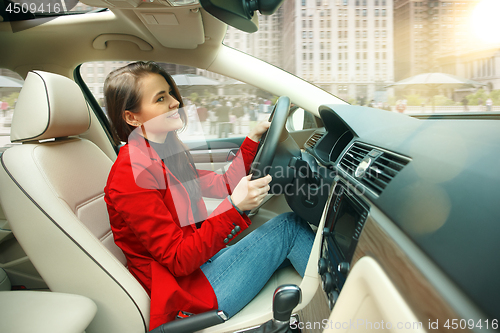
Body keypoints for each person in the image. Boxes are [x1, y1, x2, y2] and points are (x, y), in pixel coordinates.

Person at [103, 61, 314, 330]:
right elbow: (178, 259)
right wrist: (235, 208)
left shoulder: (164, 153)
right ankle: (348, 314)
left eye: (170, 93)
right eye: (160, 98)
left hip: (204, 267)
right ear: (132, 117)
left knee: (288, 227)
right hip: (190, 293)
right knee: (290, 227)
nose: (174, 102)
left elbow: (222, 183)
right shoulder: (131, 175)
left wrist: (251, 140)